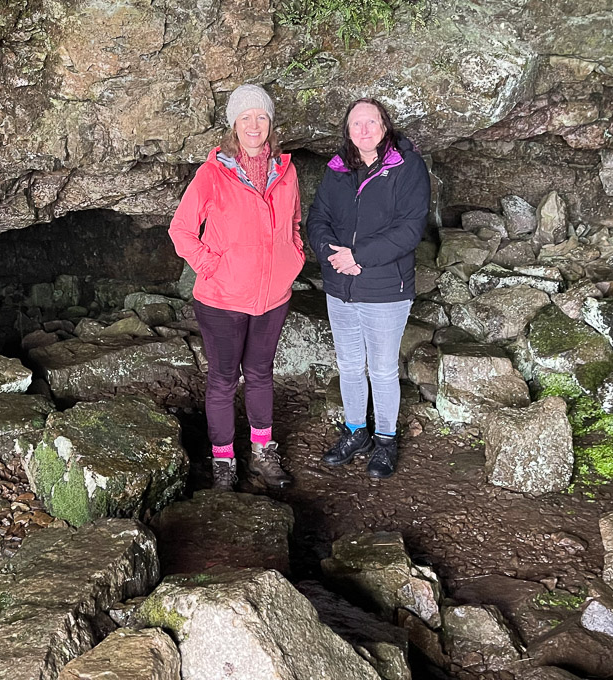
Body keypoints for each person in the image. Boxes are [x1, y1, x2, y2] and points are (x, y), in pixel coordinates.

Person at [169, 83, 305, 492]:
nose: (254, 124)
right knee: (224, 379)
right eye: (245, 117)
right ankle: (224, 461)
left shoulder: (287, 171)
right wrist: (213, 266)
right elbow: (181, 230)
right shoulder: (213, 173)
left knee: (262, 374)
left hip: (272, 296)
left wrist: (291, 259)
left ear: (270, 123)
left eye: (261, 116)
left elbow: (295, 224)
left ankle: (262, 453)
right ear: (233, 124)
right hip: (222, 297)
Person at [306, 97, 430, 479]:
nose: (363, 130)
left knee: (381, 369)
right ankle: (356, 431)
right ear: (347, 130)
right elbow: (318, 218)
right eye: (355, 124)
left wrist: (358, 256)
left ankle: (386, 440)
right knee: (348, 366)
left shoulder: (407, 167)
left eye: (371, 122)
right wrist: (330, 252)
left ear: (385, 126)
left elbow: (410, 228)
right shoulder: (338, 169)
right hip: (340, 286)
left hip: (384, 288)